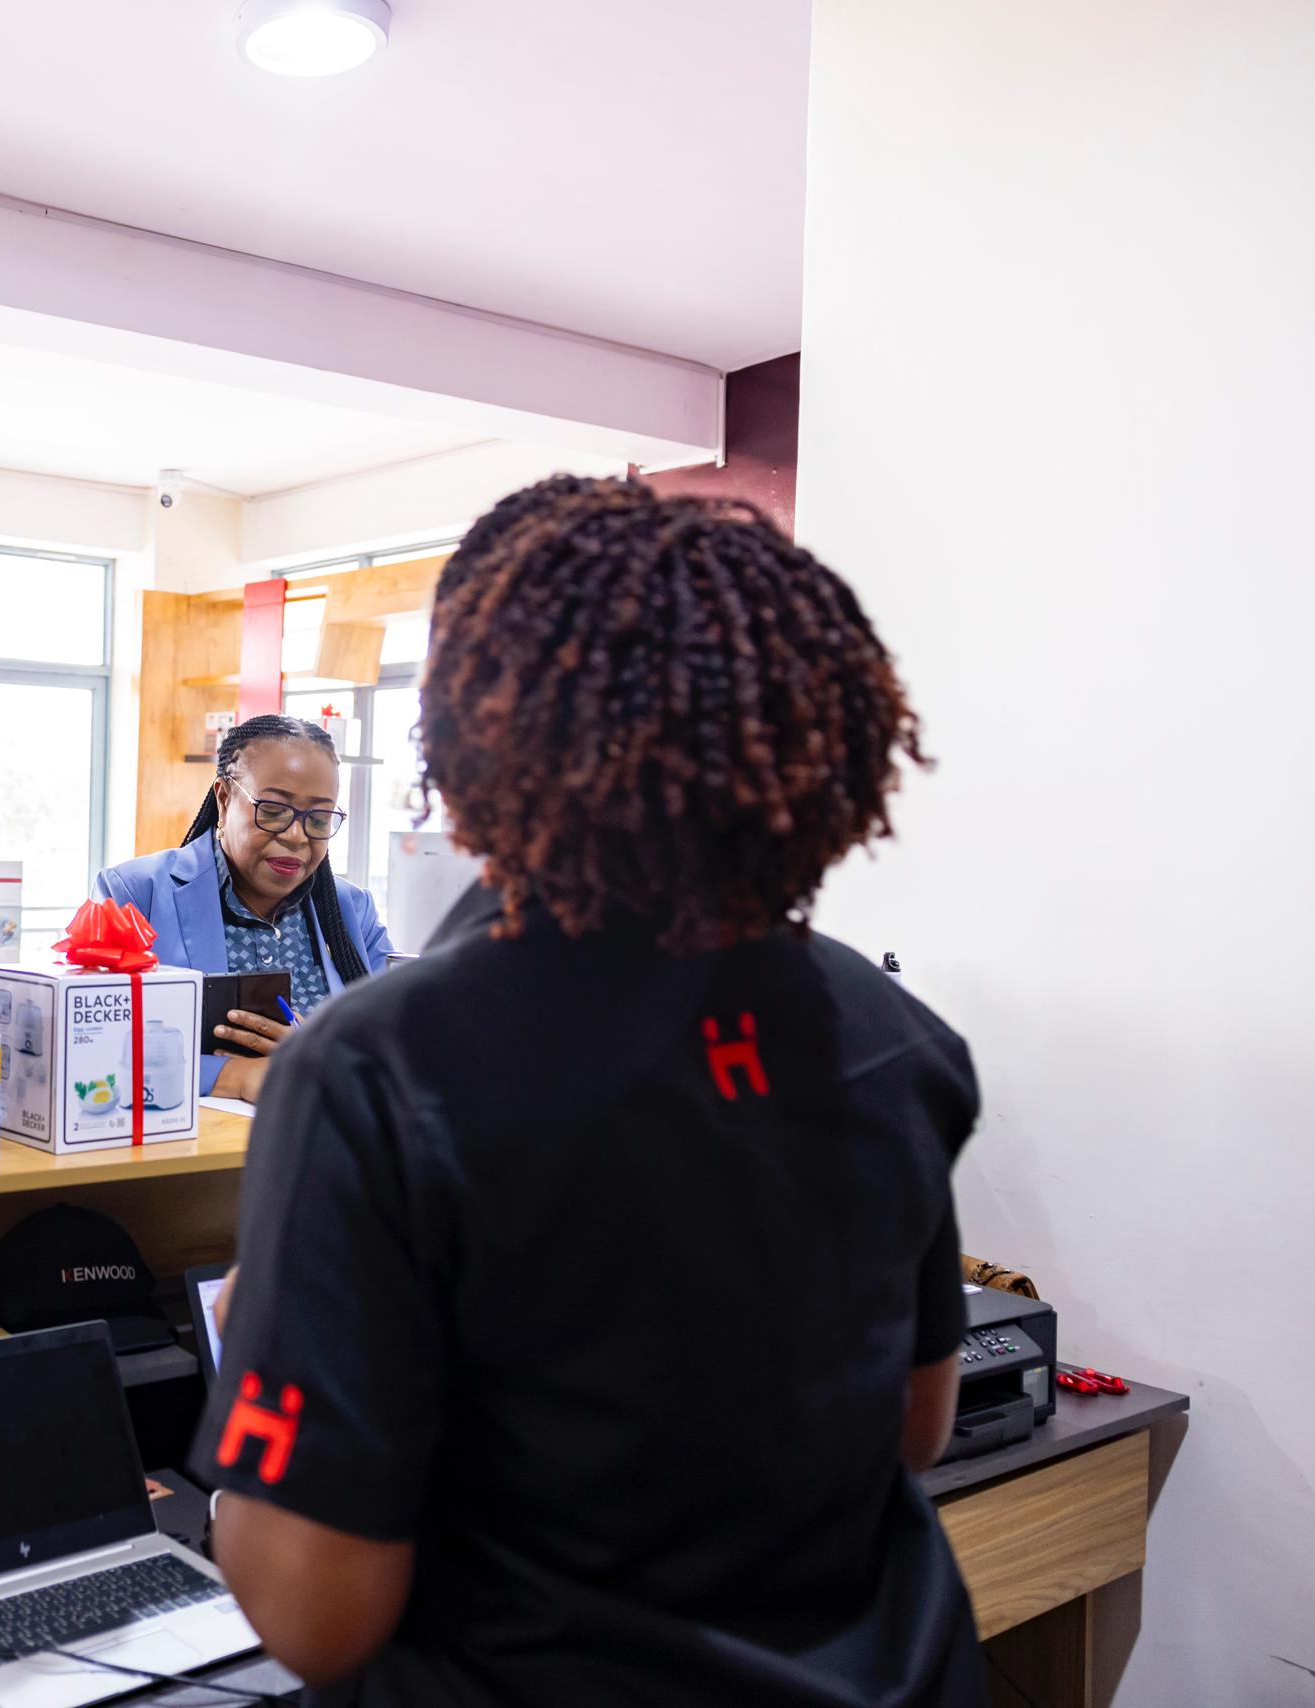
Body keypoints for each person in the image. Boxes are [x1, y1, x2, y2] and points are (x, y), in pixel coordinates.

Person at [200, 478, 988, 1707]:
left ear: (469, 736)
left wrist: (277, 1320)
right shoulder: (893, 1035)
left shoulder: (378, 1070)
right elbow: (914, 1426)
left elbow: (313, 1607)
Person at [96, 715, 391, 1102]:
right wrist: (232, 1076)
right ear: (223, 799)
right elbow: (91, 1047)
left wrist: (322, 1055)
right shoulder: (135, 894)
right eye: (273, 811)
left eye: (319, 819)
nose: (296, 836)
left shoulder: (352, 911)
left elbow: (402, 1049)